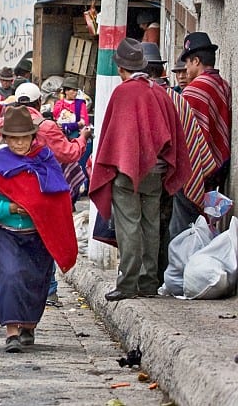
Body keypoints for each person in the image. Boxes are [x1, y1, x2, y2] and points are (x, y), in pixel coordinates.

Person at [0, 106, 77, 353]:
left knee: (34, 280)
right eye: (13, 138)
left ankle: (28, 325)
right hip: (4, 234)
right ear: (5, 139)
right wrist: (11, 208)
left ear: (33, 137)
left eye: (24, 137)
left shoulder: (46, 161)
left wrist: (44, 212)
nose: (19, 143)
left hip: (37, 235)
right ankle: (12, 332)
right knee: (9, 275)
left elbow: (59, 197)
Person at [89, 38, 191, 302]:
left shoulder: (123, 93)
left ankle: (126, 284)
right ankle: (148, 282)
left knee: (129, 225)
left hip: (126, 171)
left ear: (122, 68)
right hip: (155, 172)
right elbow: (172, 136)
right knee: (151, 223)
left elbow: (112, 137)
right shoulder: (159, 92)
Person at [142, 42, 218, 281]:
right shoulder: (174, 96)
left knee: (155, 223)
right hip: (180, 168)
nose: (182, 74)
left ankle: (158, 276)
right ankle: (166, 274)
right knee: (165, 222)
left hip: (164, 173)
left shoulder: (153, 97)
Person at [180, 31, 231, 194]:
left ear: (196, 61)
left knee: (184, 217)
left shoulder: (193, 91)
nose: (185, 67)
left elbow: (185, 137)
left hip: (197, 170)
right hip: (220, 168)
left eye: (187, 62)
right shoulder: (223, 85)